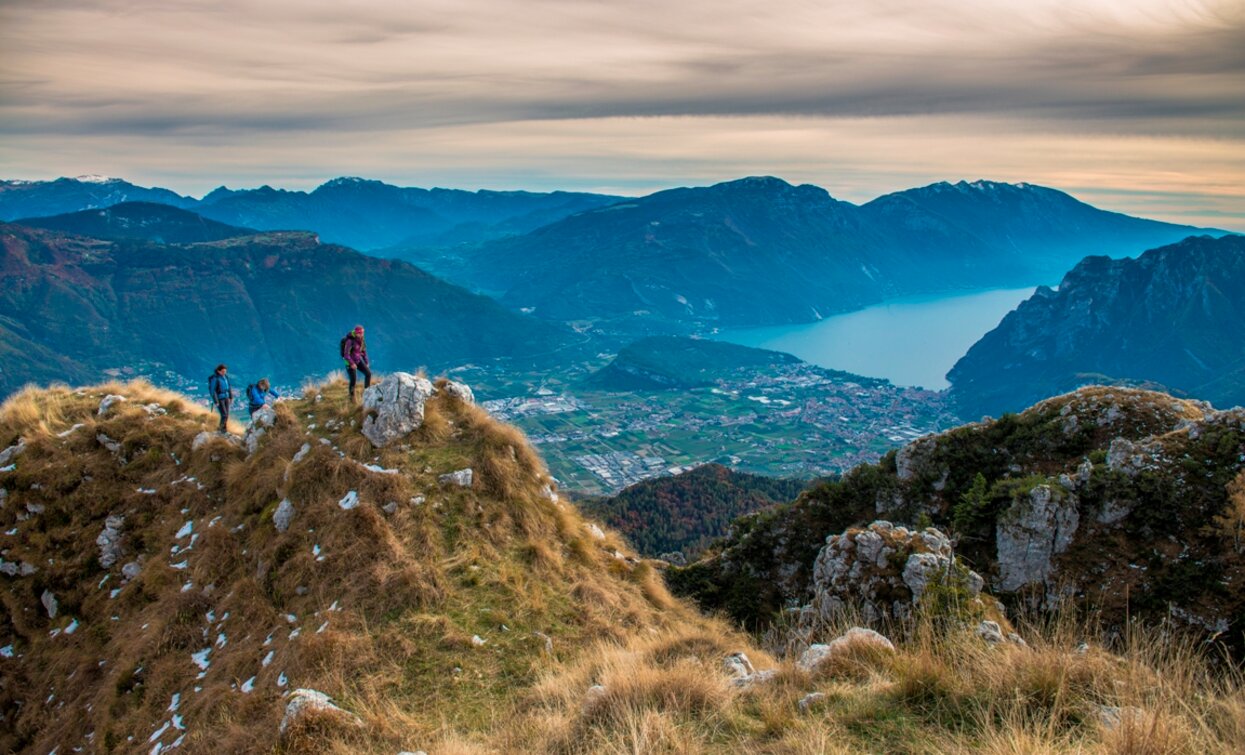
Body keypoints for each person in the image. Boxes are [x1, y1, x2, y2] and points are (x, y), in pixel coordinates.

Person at [341, 325, 371, 401]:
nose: (362, 334)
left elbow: (363, 351)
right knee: (353, 380)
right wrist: (352, 364)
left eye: (363, 333)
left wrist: (366, 362)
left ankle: (367, 393)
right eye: (360, 333)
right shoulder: (350, 341)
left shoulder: (361, 340)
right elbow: (346, 354)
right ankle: (352, 398)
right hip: (349, 362)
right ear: (356, 333)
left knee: (368, 374)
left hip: (358, 360)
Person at [207, 364, 232, 433]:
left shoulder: (225, 377)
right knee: (224, 414)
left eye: (225, 371)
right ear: (219, 371)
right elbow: (213, 391)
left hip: (226, 397)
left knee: (226, 414)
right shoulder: (215, 378)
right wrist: (216, 401)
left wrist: (231, 397)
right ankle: (221, 430)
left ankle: (224, 429)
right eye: (223, 371)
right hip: (220, 399)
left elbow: (229, 387)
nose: (224, 372)